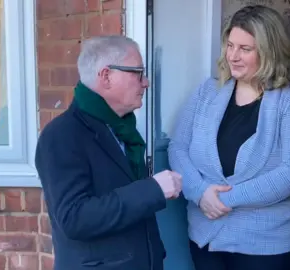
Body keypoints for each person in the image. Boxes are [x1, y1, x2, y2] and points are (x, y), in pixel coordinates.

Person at [168, 5, 290, 270]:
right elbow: (178, 147)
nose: (233, 56)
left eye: (245, 49)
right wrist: (200, 193)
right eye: (230, 45)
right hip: (206, 237)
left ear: (269, 52)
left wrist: (223, 200)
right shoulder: (208, 92)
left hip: (265, 243)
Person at [35, 35, 183, 270]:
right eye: (138, 73)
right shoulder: (62, 135)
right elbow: (74, 218)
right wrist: (153, 189)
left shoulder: (122, 129)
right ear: (106, 76)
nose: (146, 82)